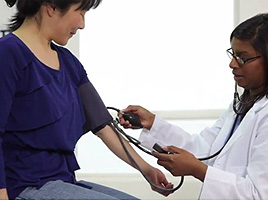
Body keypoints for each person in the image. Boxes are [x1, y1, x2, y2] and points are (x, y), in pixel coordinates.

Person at [0, 0, 174, 199]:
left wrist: (147, 170)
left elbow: (103, 125)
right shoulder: (7, 54)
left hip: (62, 182)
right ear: (51, 7)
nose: (82, 24)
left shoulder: (69, 62)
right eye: (80, 12)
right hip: (23, 187)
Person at [120, 13, 268, 199]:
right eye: (233, 54)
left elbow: (258, 195)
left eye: (242, 58)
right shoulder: (242, 104)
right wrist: (153, 123)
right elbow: (208, 150)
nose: (232, 64)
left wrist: (199, 171)